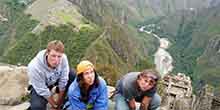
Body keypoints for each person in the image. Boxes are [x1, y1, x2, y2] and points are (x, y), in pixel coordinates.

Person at [27, 40, 73, 110]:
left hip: (55, 79)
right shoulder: (34, 67)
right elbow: (42, 90)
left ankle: (66, 100)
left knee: (73, 75)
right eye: (53, 56)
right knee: (37, 106)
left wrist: (59, 102)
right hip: (42, 84)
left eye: (59, 56)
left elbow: (64, 80)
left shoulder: (63, 58)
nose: (56, 60)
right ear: (47, 53)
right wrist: (54, 105)